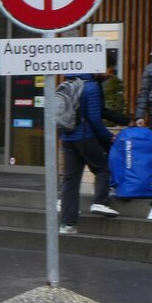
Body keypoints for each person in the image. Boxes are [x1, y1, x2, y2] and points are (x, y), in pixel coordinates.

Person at [59, 71, 119, 235]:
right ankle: (100, 202)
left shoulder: (65, 84)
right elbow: (94, 119)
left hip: (67, 138)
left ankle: (67, 224)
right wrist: (108, 137)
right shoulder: (91, 87)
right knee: (102, 168)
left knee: (70, 180)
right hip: (85, 137)